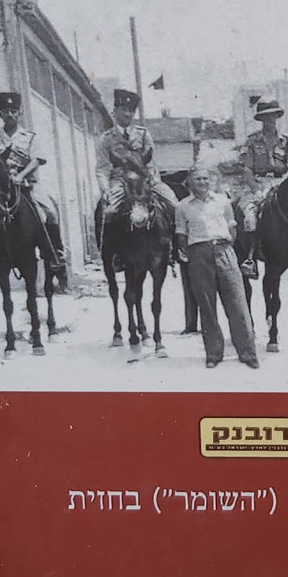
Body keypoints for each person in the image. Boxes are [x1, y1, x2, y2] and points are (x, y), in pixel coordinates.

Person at [0, 91, 65, 276]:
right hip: (2, 187)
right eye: (6, 111)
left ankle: (56, 252)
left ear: (19, 113)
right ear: (0, 115)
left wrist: (21, 175)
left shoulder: (30, 137)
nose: (10, 115)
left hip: (27, 184)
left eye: (14, 111)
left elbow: (37, 160)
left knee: (49, 211)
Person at [174, 166, 259, 369]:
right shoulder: (182, 206)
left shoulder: (223, 201)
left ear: (211, 181)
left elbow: (232, 227)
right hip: (199, 254)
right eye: (198, 179)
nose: (202, 182)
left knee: (238, 303)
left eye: (205, 179)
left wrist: (227, 246)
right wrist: (194, 254)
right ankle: (213, 354)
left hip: (224, 251)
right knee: (207, 305)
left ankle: (247, 353)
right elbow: (181, 235)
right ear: (190, 182)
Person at [95, 89, 178, 229]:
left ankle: (175, 245)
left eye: (131, 111)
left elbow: (151, 161)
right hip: (120, 182)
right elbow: (102, 167)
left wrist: (153, 180)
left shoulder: (143, 134)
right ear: (115, 111)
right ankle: (107, 248)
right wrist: (105, 189)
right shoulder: (106, 139)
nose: (128, 114)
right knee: (108, 212)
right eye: (123, 109)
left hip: (145, 179)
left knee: (174, 205)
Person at [238, 97, 288, 278]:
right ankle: (250, 258)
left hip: (283, 184)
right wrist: (256, 188)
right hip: (258, 184)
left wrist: (282, 184)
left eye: (272, 116)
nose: (270, 120)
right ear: (261, 119)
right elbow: (246, 168)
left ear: (277, 116)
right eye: (265, 117)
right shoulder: (251, 141)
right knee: (249, 217)